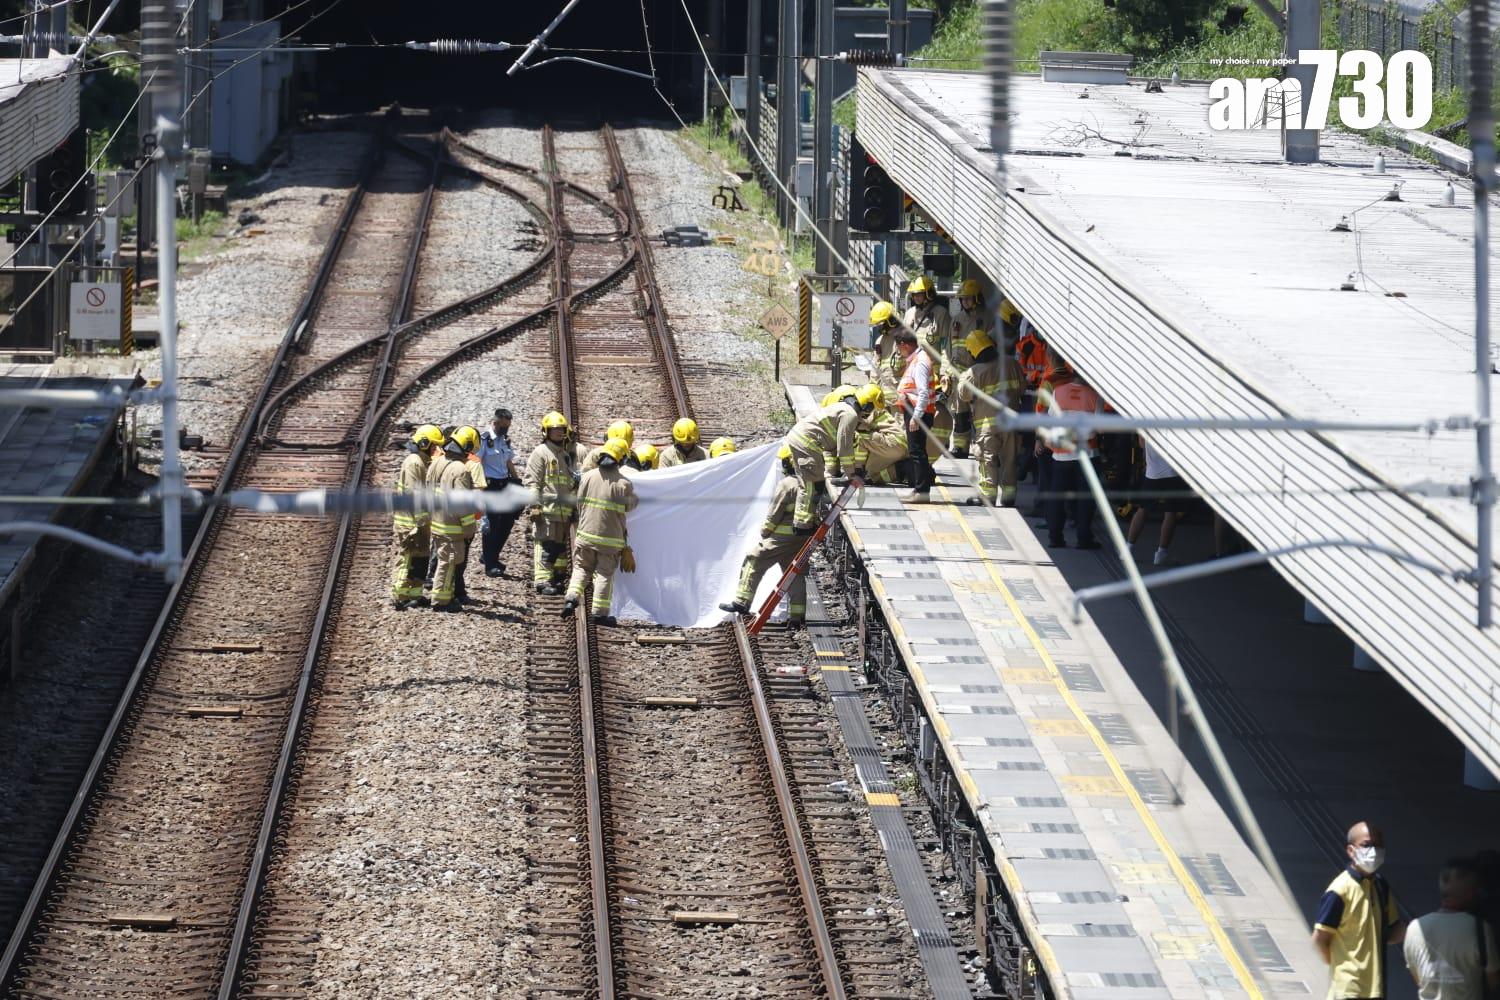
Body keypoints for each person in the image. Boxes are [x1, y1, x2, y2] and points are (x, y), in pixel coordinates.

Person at [1314, 821, 1406, 1000]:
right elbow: (1319, 940)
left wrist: (1415, 930)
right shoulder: (1339, 891)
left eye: (1379, 845)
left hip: (1376, 989)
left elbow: (1389, 932)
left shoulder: (1380, 886)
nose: (1374, 851)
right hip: (1348, 990)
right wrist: (1341, 967)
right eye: (1366, 845)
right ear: (1350, 851)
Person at [719, 444, 806, 625]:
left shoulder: (787, 484)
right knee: (795, 573)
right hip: (802, 539)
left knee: (754, 560)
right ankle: (798, 615)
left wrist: (765, 531)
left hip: (781, 539)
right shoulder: (809, 482)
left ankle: (742, 602)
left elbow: (775, 512)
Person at [562, 436, 638, 625]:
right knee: (604, 574)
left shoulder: (587, 476)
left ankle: (572, 597)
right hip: (610, 541)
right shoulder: (624, 484)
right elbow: (629, 506)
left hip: (585, 535)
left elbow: (579, 501)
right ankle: (599, 613)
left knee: (581, 569)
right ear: (621, 459)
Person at [785, 384, 879, 531]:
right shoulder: (850, 415)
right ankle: (803, 526)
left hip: (801, 440)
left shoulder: (844, 408)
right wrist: (851, 474)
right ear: (867, 405)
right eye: (871, 409)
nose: (869, 413)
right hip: (806, 444)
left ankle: (804, 522)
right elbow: (844, 447)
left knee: (812, 483)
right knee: (813, 484)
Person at [1404, 858, 1500, 1000]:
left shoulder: (1414, 928)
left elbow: (1419, 979)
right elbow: (1493, 981)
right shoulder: (1479, 928)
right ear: (1471, 893)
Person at [956, 329, 1022, 507]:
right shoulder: (1011, 363)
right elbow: (1022, 386)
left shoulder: (974, 372)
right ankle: (1009, 497)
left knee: (988, 459)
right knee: (1010, 459)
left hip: (988, 425)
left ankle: (988, 496)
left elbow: (963, 395)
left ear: (973, 352)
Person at [1041, 365, 1103, 548]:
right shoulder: (1094, 396)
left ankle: (1055, 538)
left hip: (1061, 456)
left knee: (1057, 498)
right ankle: (1084, 539)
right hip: (1088, 455)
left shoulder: (1058, 392)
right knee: (1086, 499)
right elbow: (1100, 428)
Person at [389, 424, 444, 609]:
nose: (437, 449)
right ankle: (400, 596)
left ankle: (414, 594)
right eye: (435, 445)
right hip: (411, 522)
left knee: (420, 557)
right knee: (408, 558)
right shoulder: (414, 462)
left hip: (419, 521)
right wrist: (421, 520)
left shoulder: (421, 460)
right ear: (424, 443)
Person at [524, 410, 578, 596]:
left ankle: (556, 577)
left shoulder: (563, 455)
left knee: (559, 547)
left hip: (562, 512)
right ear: (546, 431)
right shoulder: (540, 453)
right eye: (554, 429)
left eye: (561, 429)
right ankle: (542, 580)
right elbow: (532, 481)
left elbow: (568, 483)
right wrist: (535, 505)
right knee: (545, 545)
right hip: (546, 510)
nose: (558, 432)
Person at [424, 433, 476, 611]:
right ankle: (441, 600)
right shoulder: (460, 470)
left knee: (442, 560)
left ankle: (443, 596)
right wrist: (469, 527)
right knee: (449, 562)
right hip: (452, 526)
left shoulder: (437, 462)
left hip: (437, 522)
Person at [1128, 437, 1190, 566]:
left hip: (1152, 473)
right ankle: (1161, 554)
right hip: (1173, 473)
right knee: (1170, 512)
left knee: (1142, 510)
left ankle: (1128, 549)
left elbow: (1141, 443)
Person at [893, 329, 938, 503]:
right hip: (915, 410)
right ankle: (918, 489)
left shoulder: (920, 362)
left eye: (899, 348)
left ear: (905, 345)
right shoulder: (916, 359)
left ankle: (922, 491)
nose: (899, 352)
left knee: (918, 452)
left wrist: (915, 417)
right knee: (915, 451)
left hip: (918, 412)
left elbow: (923, 393)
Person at [477, 409, 520, 578]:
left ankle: (490, 556)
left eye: (508, 427)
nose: (506, 430)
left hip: (504, 484)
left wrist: (517, 481)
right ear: (495, 422)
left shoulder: (504, 440)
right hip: (490, 485)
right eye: (503, 426)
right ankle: (490, 563)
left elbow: (508, 460)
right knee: (492, 525)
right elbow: (477, 462)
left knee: (508, 521)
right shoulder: (484, 439)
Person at [947, 278, 986, 458]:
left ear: (977, 298)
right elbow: (948, 347)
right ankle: (961, 448)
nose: (965, 302)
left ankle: (982, 446)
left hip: (978, 374)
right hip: (958, 375)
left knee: (980, 414)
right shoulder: (956, 319)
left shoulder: (985, 319)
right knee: (960, 413)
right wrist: (946, 371)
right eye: (962, 299)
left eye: (969, 298)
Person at [451, 425, 485, 602]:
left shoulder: (444, 459)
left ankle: (436, 583)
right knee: (460, 556)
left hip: (443, 517)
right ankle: (457, 591)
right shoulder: (473, 464)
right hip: (465, 518)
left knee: (443, 553)